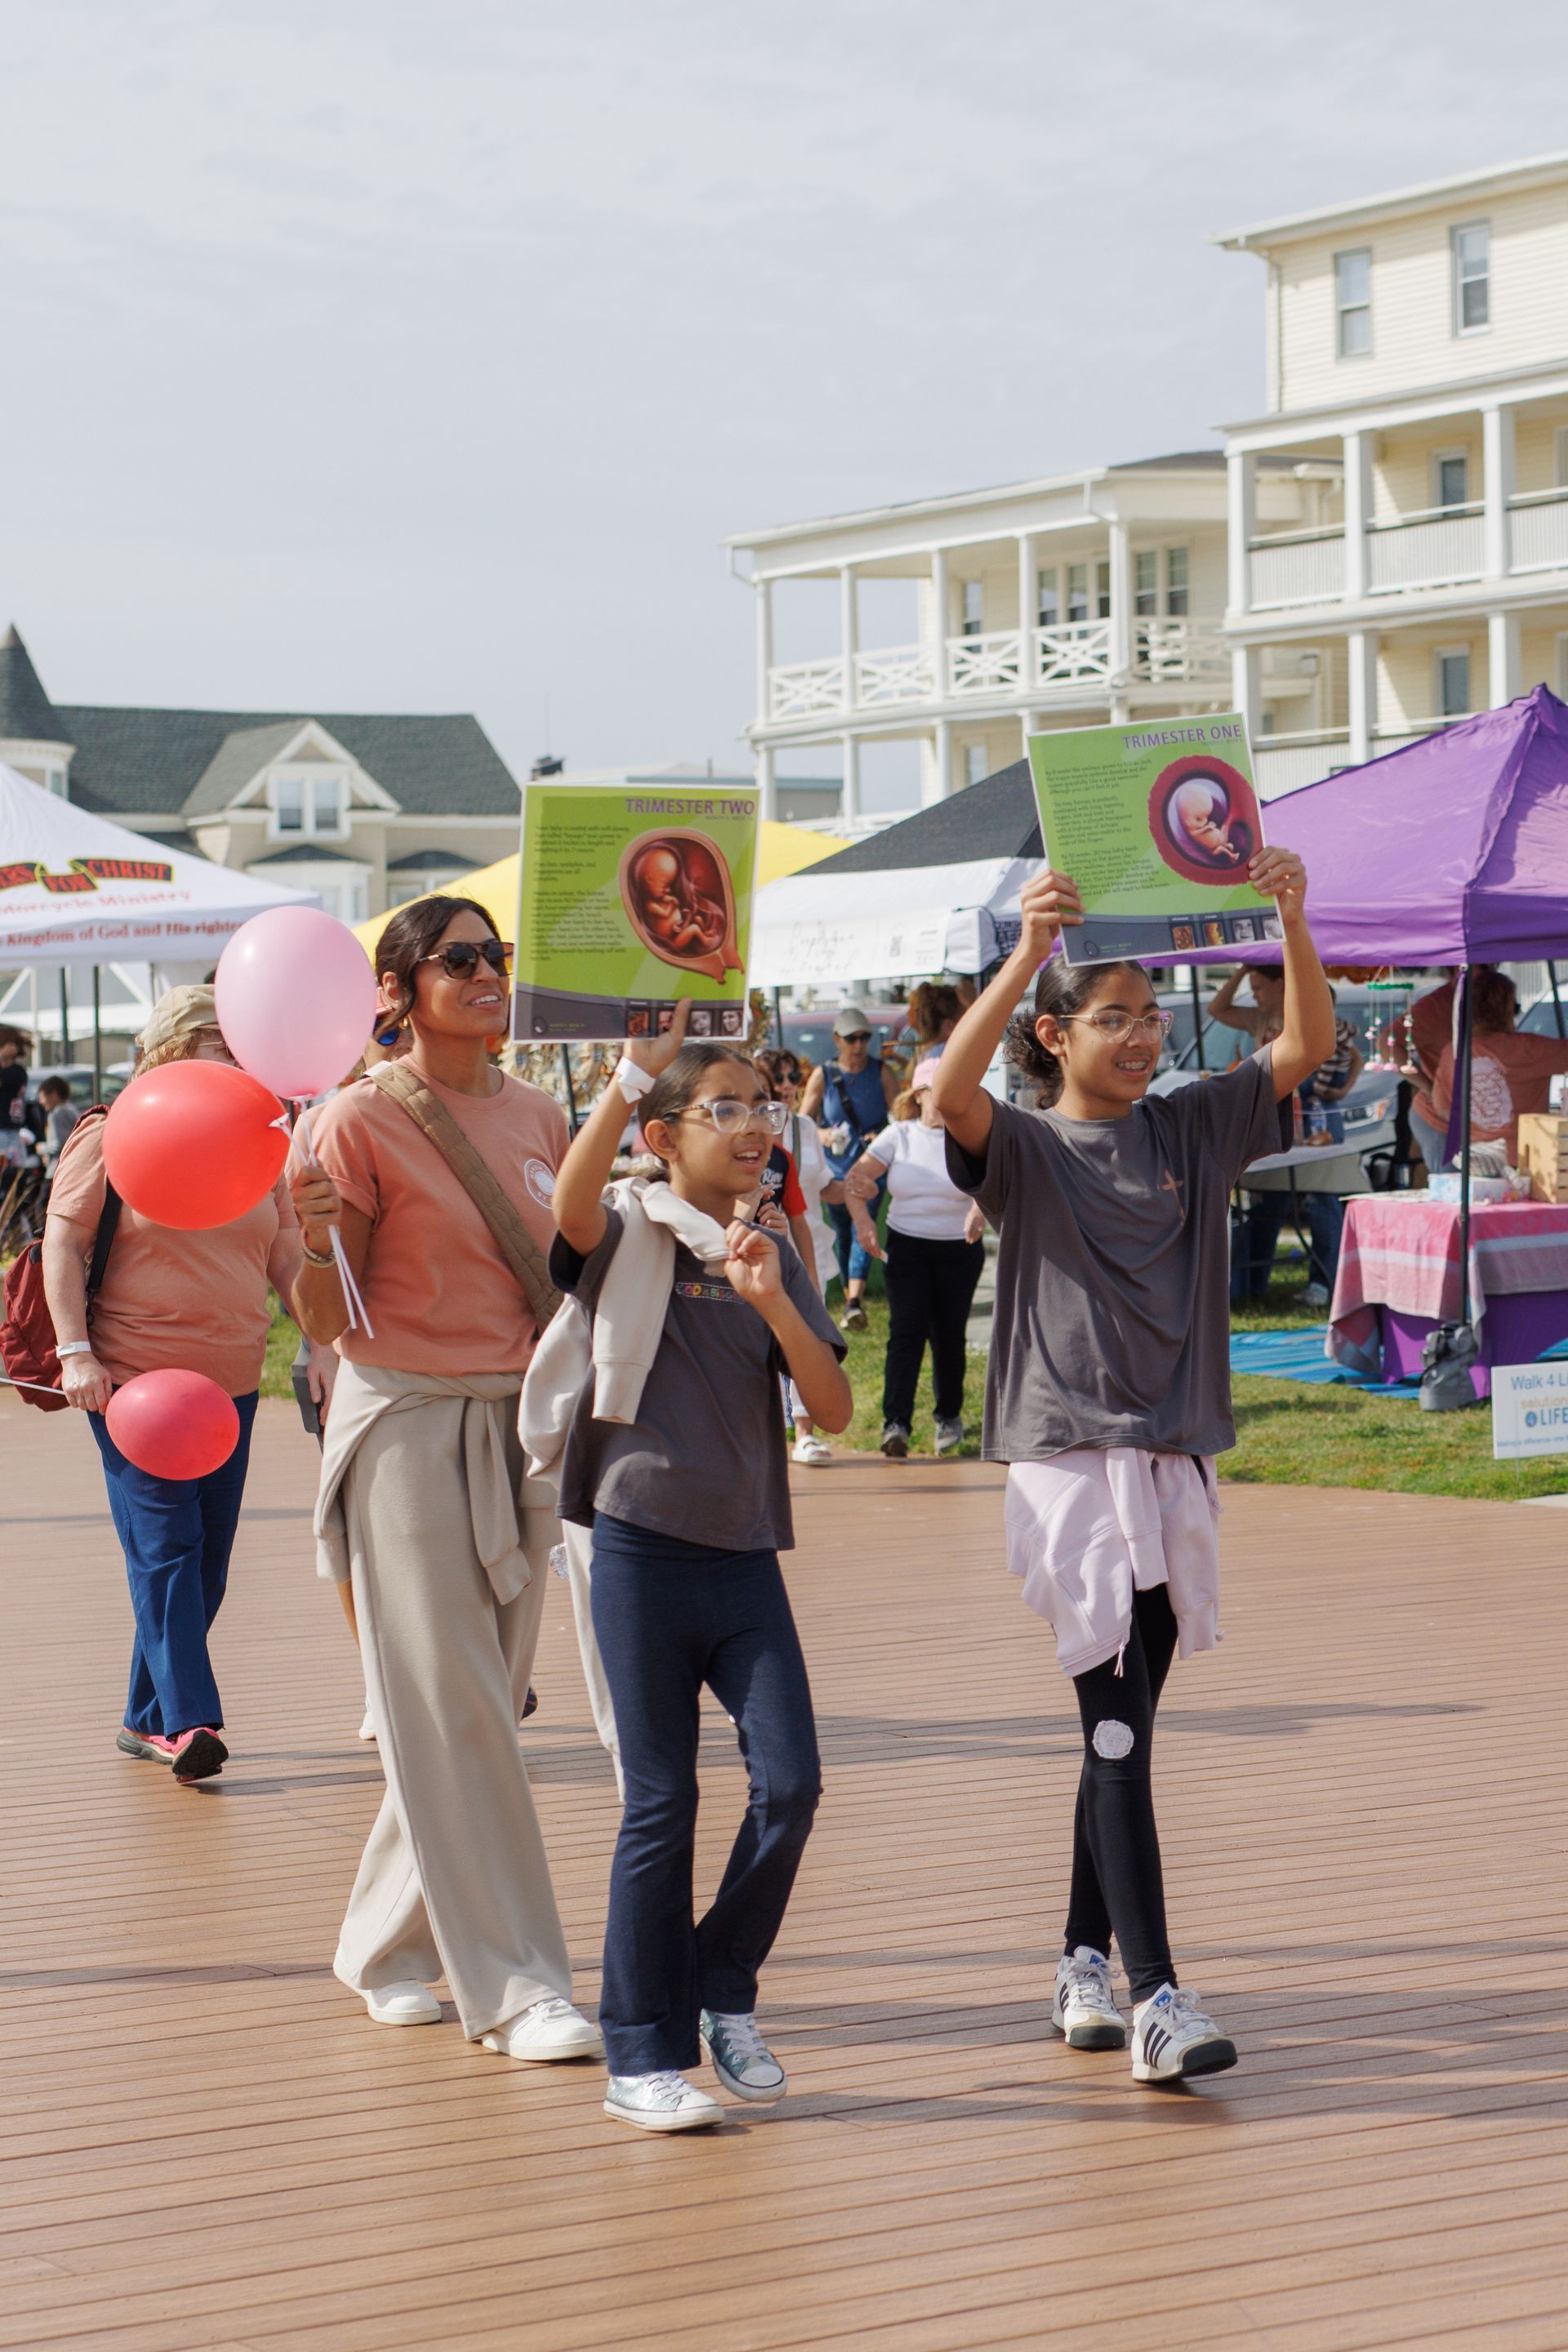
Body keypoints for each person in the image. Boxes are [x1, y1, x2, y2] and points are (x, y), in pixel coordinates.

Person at [930, 846, 1334, 2083]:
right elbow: (947, 1090)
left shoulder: (1189, 1127)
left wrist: (1291, 912)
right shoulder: (1027, 1149)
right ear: (1055, 1034)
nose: (1147, 1037)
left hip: (1171, 1457)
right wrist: (1025, 952)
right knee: (1114, 1721)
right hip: (1068, 1461)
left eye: (1155, 1017)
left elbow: (1302, 1049)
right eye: (1118, 1019)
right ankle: (1155, 1996)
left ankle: (1076, 1961)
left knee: (1127, 1722)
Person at [294, 895, 599, 2064]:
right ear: (398, 990)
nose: (486, 974)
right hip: (408, 1423)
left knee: (467, 1709)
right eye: (457, 959)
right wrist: (314, 1236)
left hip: (520, 1423)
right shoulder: (354, 1122)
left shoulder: (538, 1109)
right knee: (461, 1705)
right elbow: (326, 1323)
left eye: (495, 956)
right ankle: (521, 1984)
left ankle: (382, 1943)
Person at [550, 1019, 852, 2132]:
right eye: (723, 1109)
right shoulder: (628, 1232)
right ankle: (641, 2051)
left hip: (744, 1563)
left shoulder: (769, 1245)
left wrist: (772, 1295)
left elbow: (833, 1410)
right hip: (636, 1550)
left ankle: (720, 1984)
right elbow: (569, 1207)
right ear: (665, 1135)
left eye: (764, 1107)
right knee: (661, 1799)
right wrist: (625, 1075)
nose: (753, 1128)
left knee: (794, 1783)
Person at [41, 986, 335, 1783]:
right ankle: (190, 1720)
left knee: (206, 1564)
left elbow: (281, 1254)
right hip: (133, 1379)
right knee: (168, 1549)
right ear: (169, 1045)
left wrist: (317, 1344)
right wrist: (75, 1353)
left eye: (241, 1044)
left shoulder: (260, 1139)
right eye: (217, 1039)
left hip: (235, 1377)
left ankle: (146, 1718)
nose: (236, 1056)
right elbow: (62, 1246)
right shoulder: (113, 1131)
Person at [844, 1056, 987, 1459]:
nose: (947, 1101)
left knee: (948, 1335)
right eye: (939, 1092)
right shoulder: (899, 1135)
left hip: (958, 1248)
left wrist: (979, 1208)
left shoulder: (970, 1134)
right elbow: (855, 1183)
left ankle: (948, 1417)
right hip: (907, 1245)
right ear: (921, 1095)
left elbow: (994, 1180)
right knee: (906, 1332)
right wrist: (864, 1225)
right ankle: (897, 1424)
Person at [1213, 964, 1341, 1305]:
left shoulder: (1303, 1014)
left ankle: (1324, 1283)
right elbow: (1217, 1009)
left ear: (1282, 985)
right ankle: (1255, 1283)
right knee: (1270, 1201)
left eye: (1259, 987)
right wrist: (1242, 971)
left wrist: (1343, 1086)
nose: (1254, 994)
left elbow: (1346, 1052)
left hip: (1311, 1117)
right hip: (1271, 1116)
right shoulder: (1259, 1018)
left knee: (1323, 1196)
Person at [756, 1045, 843, 1465]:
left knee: (805, 1337)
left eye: (794, 1077)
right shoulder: (741, 1135)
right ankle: (766, 1430)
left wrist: (857, 1192)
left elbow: (820, 1187)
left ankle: (804, 1432)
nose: (789, 1086)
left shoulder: (804, 1131)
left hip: (803, 1248)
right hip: (752, 1254)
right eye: (781, 1079)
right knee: (758, 1341)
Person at [800, 1007, 898, 1331]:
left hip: (868, 1167)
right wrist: (823, 1134)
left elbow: (901, 1115)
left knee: (862, 1225)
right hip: (833, 1168)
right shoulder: (823, 1074)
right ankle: (848, 1296)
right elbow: (803, 1124)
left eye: (864, 1038)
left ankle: (854, 1301)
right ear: (837, 1040)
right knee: (843, 1231)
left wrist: (881, 1134)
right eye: (852, 1039)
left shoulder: (881, 1072)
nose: (859, 1045)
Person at [1432, 969, 1568, 1161]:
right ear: (1506, 1008)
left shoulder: (1452, 1053)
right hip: (1527, 1159)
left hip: (1476, 1160)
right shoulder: (1528, 1049)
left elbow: (1443, 1109)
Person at [1403, 973, 1458, 1173]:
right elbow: (1387, 1044)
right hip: (1436, 1116)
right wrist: (1427, 1087)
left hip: (1452, 1118)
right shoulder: (1433, 1010)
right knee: (1448, 1178)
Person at [36, 1076, 80, 1175]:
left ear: (53, 1095)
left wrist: (42, 1148)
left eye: (42, 1097)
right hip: (69, 1167)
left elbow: (60, 1144)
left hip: (56, 1169)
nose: (41, 1102)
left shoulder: (57, 1114)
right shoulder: (71, 1109)